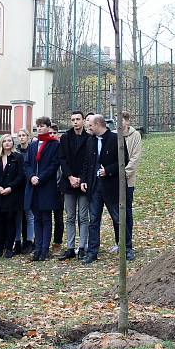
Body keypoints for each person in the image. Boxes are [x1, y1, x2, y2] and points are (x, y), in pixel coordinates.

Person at [81, 114, 129, 265]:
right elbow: (86, 163)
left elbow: (124, 160)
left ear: (98, 124)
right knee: (93, 220)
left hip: (111, 186)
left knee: (118, 218)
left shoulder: (116, 139)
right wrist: (83, 180)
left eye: (90, 125)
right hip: (94, 188)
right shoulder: (90, 141)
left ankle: (126, 248)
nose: (88, 127)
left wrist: (107, 170)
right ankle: (92, 252)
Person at [24, 117, 61, 262]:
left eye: (42, 126)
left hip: (46, 186)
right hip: (33, 186)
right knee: (36, 218)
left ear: (48, 127)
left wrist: (41, 177)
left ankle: (45, 249)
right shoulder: (33, 145)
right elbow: (27, 164)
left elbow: (54, 165)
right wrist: (32, 176)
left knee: (46, 218)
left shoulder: (54, 145)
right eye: (37, 126)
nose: (39, 128)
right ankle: (37, 248)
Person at [58, 110, 90, 261]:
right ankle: (70, 247)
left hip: (83, 183)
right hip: (68, 181)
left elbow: (89, 161)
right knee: (70, 217)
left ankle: (83, 247)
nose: (75, 122)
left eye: (78, 119)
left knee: (83, 217)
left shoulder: (89, 138)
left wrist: (81, 178)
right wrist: (70, 177)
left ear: (83, 120)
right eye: (73, 119)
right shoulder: (65, 138)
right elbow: (62, 159)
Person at [0, 134, 25, 258]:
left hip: (12, 194)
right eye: (5, 141)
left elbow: (21, 175)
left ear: (13, 143)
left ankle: (9, 248)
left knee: (10, 221)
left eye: (10, 141)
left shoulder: (17, 157)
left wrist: (10, 188)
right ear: (1, 143)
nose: (7, 143)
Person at [120, 112, 142, 258]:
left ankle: (128, 246)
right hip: (113, 179)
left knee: (127, 211)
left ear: (127, 121)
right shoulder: (114, 134)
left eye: (121, 120)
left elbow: (135, 158)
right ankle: (119, 242)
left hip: (127, 181)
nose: (119, 123)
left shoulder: (135, 136)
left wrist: (124, 173)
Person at [14, 128, 35, 255]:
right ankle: (17, 241)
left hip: (29, 185)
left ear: (28, 136)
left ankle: (29, 241)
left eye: (23, 135)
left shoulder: (32, 150)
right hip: (17, 186)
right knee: (18, 216)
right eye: (19, 135)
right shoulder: (15, 152)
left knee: (29, 215)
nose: (21, 137)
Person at [50, 124, 64, 251]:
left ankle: (57, 242)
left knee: (59, 217)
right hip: (48, 187)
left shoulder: (62, 148)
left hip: (60, 188)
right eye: (50, 133)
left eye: (54, 133)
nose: (52, 135)